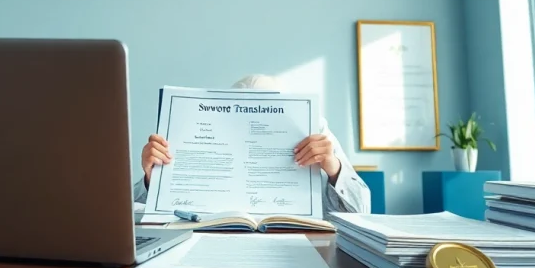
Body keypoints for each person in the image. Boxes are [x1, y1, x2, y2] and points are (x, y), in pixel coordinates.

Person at [132, 75, 371, 214]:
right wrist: (153, 180)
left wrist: (333, 168)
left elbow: (362, 211)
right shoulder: (189, 133)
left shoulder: (314, 130)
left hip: (301, 247)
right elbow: (133, 218)